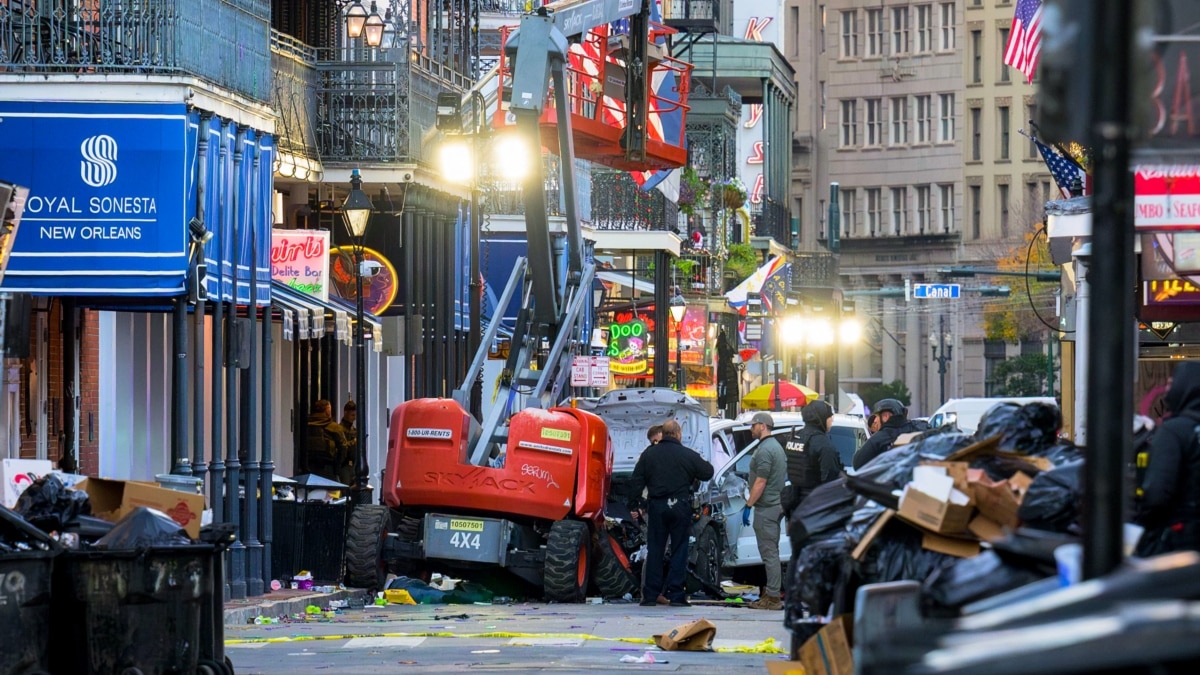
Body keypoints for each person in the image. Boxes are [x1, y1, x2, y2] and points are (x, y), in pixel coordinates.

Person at [628, 419, 713, 607]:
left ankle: (650, 595)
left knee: (655, 550)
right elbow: (708, 471)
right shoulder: (686, 454)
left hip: (657, 507)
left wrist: (637, 503)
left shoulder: (649, 455)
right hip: (680, 506)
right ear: (678, 433)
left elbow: (635, 482)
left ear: (664, 434)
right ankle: (676, 595)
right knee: (679, 550)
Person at [1135, 362, 1200, 555]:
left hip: (1179, 539)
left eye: (1171, 384)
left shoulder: (1174, 431)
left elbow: (1157, 493)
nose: (1166, 391)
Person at [744, 411, 787, 611]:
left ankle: (772, 597)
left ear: (762, 426)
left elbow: (761, 482)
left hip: (766, 507)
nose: (751, 429)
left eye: (753, 425)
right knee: (771, 551)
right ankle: (770, 593)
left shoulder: (765, 450)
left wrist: (748, 504)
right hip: (775, 505)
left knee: (769, 553)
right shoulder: (775, 447)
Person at [782, 400, 843, 515]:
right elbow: (830, 478)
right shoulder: (823, 443)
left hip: (796, 503)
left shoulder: (796, 437)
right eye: (830, 416)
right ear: (821, 418)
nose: (832, 420)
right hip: (817, 506)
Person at [852, 399, 926, 470]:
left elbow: (857, 463)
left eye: (876, 417)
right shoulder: (921, 428)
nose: (875, 421)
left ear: (886, 416)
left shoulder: (879, 439)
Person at [305, 399, 352, 483]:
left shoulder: (306, 425)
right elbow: (343, 448)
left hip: (308, 467)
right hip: (328, 467)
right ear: (327, 411)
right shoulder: (333, 427)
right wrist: (338, 466)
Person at [338, 401, 359, 486]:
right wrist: (353, 442)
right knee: (346, 490)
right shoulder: (339, 429)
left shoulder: (353, 429)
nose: (354, 418)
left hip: (353, 464)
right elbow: (342, 446)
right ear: (345, 413)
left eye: (355, 415)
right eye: (352, 415)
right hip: (344, 465)